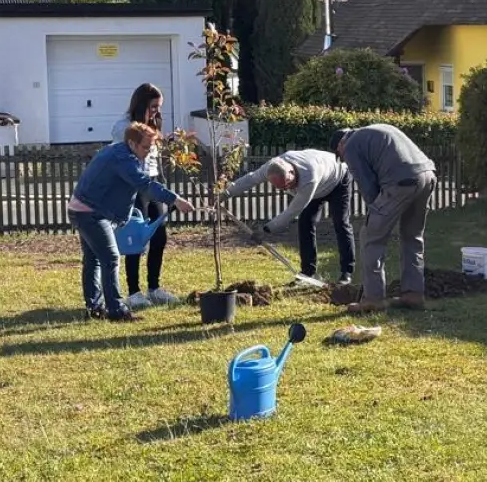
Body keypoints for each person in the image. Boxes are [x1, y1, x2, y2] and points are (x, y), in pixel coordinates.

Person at [68, 122, 194, 321]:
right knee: (110, 258)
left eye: (151, 147)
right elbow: (145, 185)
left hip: (82, 209)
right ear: (132, 143)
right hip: (90, 212)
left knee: (93, 260)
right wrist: (175, 200)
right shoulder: (123, 159)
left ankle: (95, 308)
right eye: (145, 147)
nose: (148, 151)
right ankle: (117, 311)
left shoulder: (118, 152)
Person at [330, 124, 436, 312]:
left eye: (341, 156)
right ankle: (413, 294)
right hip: (427, 175)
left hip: (401, 181)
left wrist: (375, 215)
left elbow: (368, 187)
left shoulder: (351, 145)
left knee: (371, 237)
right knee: (412, 236)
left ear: (340, 145)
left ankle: (373, 299)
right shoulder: (377, 130)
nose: (344, 159)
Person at [221, 149, 355, 286]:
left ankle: (346, 273)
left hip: (338, 179)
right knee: (305, 224)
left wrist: (266, 229)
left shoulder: (309, 176)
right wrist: (224, 194)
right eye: (281, 188)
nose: (286, 189)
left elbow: (291, 212)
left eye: (288, 185)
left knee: (340, 223)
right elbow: (250, 179)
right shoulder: (271, 167)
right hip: (317, 186)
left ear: (291, 172)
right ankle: (307, 274)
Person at [111, 83, 178, 309]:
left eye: (159, 107)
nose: (157, 112)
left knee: (159, 236)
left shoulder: (151, 125)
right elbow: (125, 160)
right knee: (135, 237)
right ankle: (133, 292)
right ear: (141, 105)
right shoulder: (123, 127)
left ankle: (154, 288)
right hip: (133, 185)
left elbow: (152, 159)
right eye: (153, 107)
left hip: (152, 182)